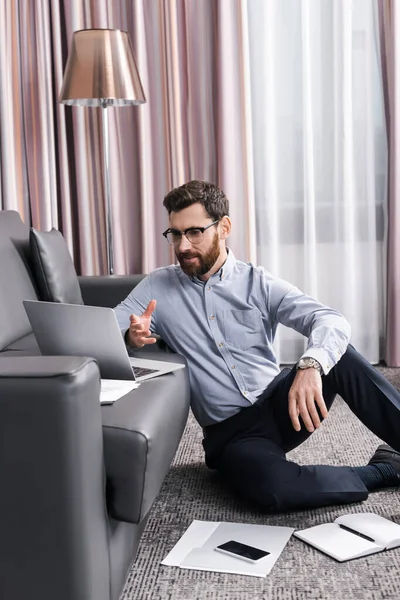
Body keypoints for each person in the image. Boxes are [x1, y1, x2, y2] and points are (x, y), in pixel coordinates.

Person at [114, 180, 400, 513]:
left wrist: (310, 365)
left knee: (342, 357)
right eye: (174, 234)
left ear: (224, 228)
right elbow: (109, 327)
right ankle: (386, 469)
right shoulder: (157, 287)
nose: (182, 246)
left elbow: (330, 320)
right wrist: (130, 338)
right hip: (233, 435)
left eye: (194, 232)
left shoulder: (258, 282)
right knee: (274, 491)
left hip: (284, 405)